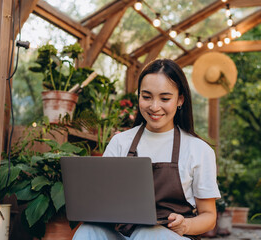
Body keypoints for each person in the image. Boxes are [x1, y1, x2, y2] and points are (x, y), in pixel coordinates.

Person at [73, 59, 220, 240]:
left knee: (147, 234)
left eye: (165, 98)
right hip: (124, 234)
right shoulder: (120, 142)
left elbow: (209, 216)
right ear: (139, 96)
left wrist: (186, 225)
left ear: (180, 99)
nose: (154, 106)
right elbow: (101, 200)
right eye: (146, 96)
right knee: (87, 231)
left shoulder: (199, 150)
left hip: (169, 236)